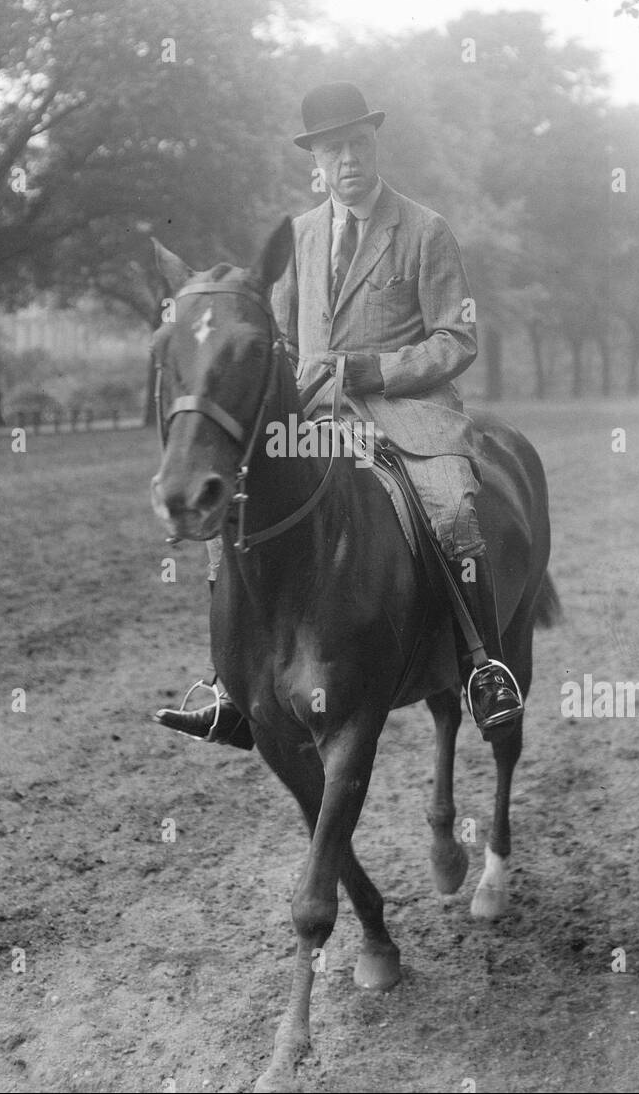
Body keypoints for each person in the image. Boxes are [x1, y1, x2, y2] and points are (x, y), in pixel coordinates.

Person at [156, 81, 522, 749]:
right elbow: (283, 336)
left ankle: (482, 664)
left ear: (374, 146)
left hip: (410, 411)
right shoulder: (296, 237)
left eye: (358, 143)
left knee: (453, 507)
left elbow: (455, 339)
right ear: (315, 165)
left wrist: (367, 368)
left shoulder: (425, 231)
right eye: (332, 150)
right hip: (315, 411)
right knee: (236, 504)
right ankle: (230, 685)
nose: (347, 159)